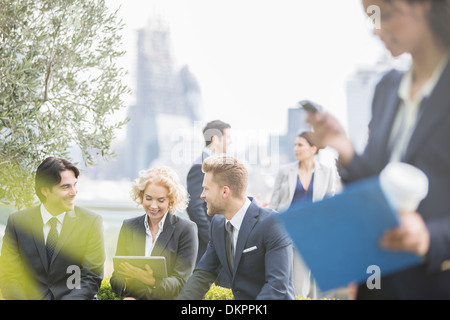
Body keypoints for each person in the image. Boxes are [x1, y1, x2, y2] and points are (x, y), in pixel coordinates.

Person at [307, 0, 450, 299]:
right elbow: (376, 187)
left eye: (385, 14)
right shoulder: (386, 88)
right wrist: (345, 148)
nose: (377, 29)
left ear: (423, 5)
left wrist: (431, 239)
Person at [177, 155, 295, 300]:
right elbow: (203, 275)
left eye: (206, 189)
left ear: (225, 191)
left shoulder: (273, 224)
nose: (202, 195)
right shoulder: (218, 224)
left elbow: (277, 287)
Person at [0, 157, 105, 300]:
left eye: (75, 185)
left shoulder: (91, 222)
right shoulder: (17, 223)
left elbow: (91, 278)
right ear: (45, 190)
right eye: (65, 187)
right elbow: (9, 275)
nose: (74, 192)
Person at [270, 131, 340, 298]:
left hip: (313, 234)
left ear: (313, 148)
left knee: (310, 285)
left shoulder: (327, 172)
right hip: (286, 232)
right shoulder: (285, 171)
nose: (296, 148)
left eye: (300, 145)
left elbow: (330, 205)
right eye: (295, 145)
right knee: (288, 282)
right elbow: (275, 204)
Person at [110, 166, 198, 300]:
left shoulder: (186, 229)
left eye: (160, 200)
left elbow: (181, 283)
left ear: (171, 200)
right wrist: (126, 281)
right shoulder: (129, 226)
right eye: (149, 198)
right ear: (141, 196)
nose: (153, 206)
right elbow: (116, 279)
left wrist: (151, 281)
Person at [186, 120, 231, 287]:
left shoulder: (217, 164)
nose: (231, 141)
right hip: (209, 246)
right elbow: (194, 206)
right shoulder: (200, 166)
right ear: (215, 138)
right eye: (228, 137)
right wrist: (213, 238)